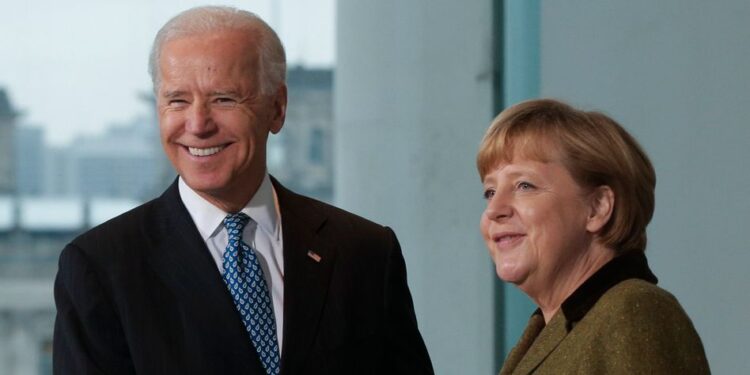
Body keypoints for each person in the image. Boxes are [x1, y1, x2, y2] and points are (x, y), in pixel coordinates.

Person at [53, 6, 433, 375]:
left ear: (278, 108)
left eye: (224, 99)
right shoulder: (101, 267)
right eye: (178, 100)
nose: (198, 124)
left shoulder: (365, 252)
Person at [477, 99, 709, 374]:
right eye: (490, 192)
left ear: (597, 207)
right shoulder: (545, 332)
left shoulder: (634, 313)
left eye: (524, 185)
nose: (494, 210)